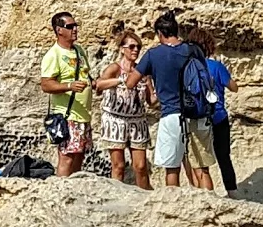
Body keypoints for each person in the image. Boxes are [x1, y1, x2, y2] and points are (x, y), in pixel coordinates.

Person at [126, 11, 214, 189]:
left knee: (172, 169)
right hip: (197, 114)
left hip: (172, 115)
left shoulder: (153, 55)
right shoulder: (193, 50)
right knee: (202, 168)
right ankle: (209, 203)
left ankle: (174, 203)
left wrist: (150, 79)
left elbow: (130, 83)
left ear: (160, 33)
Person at [94, 25, 154, 189]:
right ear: (122, 49)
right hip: (116, 120)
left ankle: (146, 197)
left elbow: (151, 100)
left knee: (141, 166)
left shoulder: (142, 72)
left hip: (137, 121)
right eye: (132, 47)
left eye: (138, 47)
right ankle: (116, 195)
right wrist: (121, 81)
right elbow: (99, 85)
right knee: (118, 165)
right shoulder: (114, 68)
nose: (135, 50)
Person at [38, 11, 93, 176]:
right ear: (59, 30)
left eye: (75, 25)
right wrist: (69, 86)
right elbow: (46, 84)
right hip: (67, 115)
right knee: (67, 157)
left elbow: (85, 74)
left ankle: (73, 188)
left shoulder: (79, 50)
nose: (75, 29)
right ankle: (61, 188)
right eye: (70, 26)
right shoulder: (53, 54)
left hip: (83, 115)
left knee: (79, 156)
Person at [189, 26, 238, 198]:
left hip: (199, 118)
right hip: (219, 117)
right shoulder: (216, 66)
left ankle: (204, 194)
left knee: (201, 161)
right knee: (224, 157)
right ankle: (232, 192)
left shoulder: (190, 67)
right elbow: (234, 87)